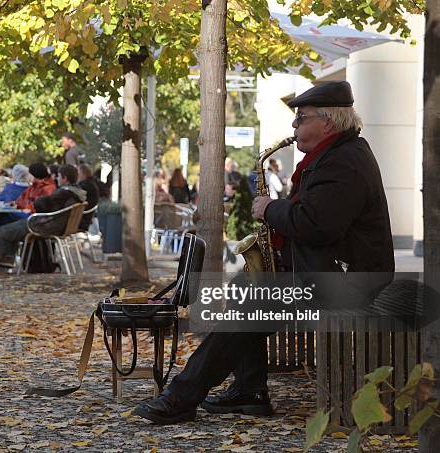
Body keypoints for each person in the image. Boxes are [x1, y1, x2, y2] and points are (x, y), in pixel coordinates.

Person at [134, 81, 395, 425]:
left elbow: (317, 225)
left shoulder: (343, 162)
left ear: (329, 121)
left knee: (250, 307)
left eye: (301, 118)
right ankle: (249, 390)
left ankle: (183, 395)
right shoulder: (334, 156)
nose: (294, 126)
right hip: (328, 272)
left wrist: (271, 209)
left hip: (349, 281)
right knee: (246, 288)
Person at [0, 165, 86, 272]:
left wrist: (36, 202)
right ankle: (5, 259)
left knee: (3, 231)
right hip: (51, 224)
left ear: (65, 178)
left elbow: (41, 204)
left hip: (43, 224)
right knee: (6, 228)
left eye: (59, 176)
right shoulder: (75, 193)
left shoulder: (63, 193)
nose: (57, 178)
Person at [77, 164, 99, 231]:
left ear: (83, 174)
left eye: (78, 173)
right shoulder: (92, 184)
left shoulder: (84, 186)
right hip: (88, 217)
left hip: (82, 219)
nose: (77, 175)